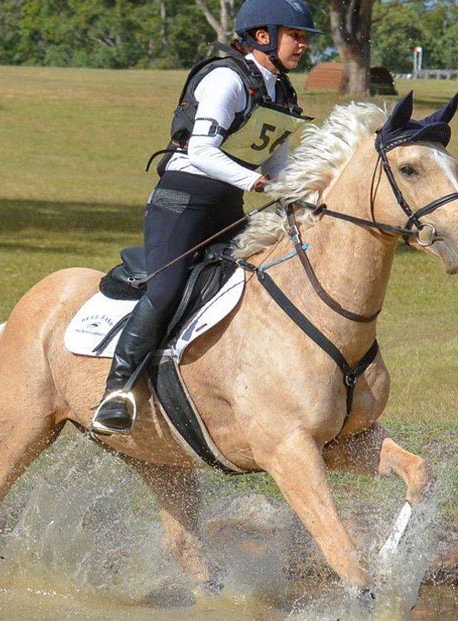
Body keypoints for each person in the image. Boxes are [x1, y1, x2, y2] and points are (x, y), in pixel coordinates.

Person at [91, 0, 320, 435]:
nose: (304, 44)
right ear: (263, 35)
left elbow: (278, 161)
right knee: (168, 287)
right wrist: (256, 183)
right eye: (296, 35)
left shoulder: (281, 90)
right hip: (181, 201)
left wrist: (299, 193)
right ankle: (116, 391)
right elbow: (200, 151)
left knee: (258, 278)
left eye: (305, 37)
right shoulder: (225, 79)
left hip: (225, 205)